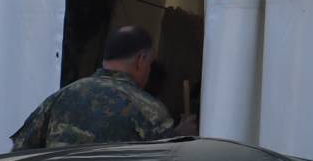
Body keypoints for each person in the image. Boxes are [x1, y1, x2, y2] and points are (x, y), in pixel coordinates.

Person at [10, 26, 184, 150]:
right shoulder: (150, 110)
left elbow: (20, 154)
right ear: (142, 60)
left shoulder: (60, 97)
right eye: (150, 63)